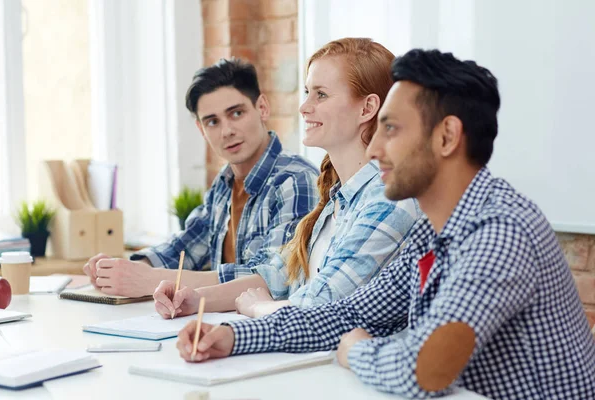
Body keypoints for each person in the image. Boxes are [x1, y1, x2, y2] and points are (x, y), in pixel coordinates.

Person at [175, 49, 595, 399]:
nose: (373, 147)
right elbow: (352, 312)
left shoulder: (501, 232)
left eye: (390, 129)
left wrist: (356, 348)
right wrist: (232, 337)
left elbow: (422, 368)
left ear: (447, 137)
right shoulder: (434, 228)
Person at [153, 38, 419, 318]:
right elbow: (276, 276)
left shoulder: (389, 198)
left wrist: (259, 308)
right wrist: (195, 300)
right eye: (307, 92)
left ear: (366, 109)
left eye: (321, 95)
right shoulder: (336, 200)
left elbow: (322, 303)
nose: (304, 107)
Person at [83, 58, 319, 298]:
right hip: (221, 322)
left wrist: (156, 279)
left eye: (236, 113)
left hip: (269, 329)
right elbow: (187, 246)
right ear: (201, 129)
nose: (227, 131)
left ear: (262, 108)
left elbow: (276, 279)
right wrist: (125, 270)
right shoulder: (224, 183)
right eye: (213, 122)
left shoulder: (294, 180)